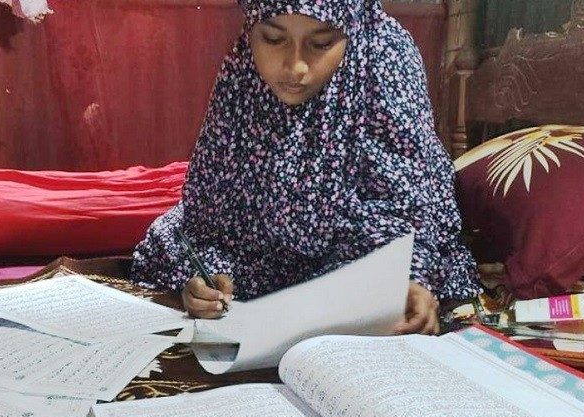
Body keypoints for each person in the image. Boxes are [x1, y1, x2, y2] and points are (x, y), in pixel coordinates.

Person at [131, 0, 480, 335]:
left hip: (353, 264)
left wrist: (402, 279)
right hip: (261, 267)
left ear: (351, 30)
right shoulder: (242, 71)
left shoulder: (383, 58)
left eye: (321, 43)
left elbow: (406, 208)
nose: (295, 67)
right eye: (273, 39)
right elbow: (206, 214)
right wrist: (208, 277)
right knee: (168, 245)